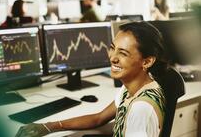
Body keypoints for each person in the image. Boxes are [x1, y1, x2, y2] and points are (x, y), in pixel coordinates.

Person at [15, 21, 169, 137]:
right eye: (112, 48)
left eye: (123, 53)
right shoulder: (133, 88)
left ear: (147, 61)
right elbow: (99, 118)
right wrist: (49, 126)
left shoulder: (140, 108)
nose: (112, 58)